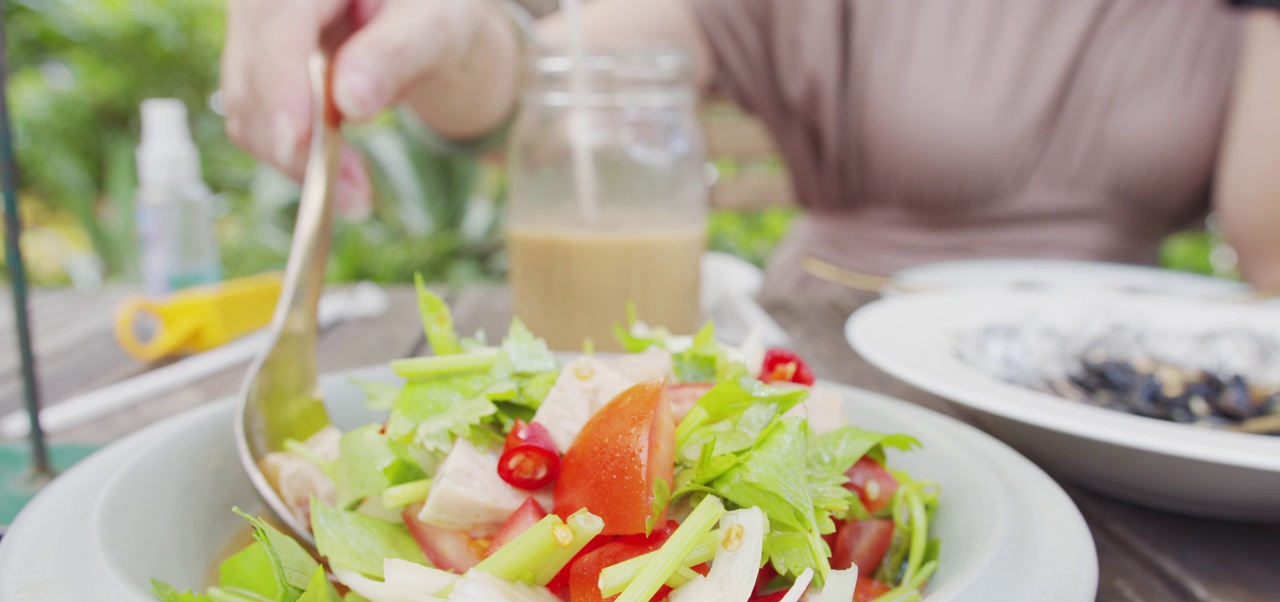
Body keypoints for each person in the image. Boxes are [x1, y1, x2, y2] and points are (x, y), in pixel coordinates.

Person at [220, 0, 1280, 298]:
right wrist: (443, 35)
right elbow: (543, 84)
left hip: (1108, 408)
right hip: (846, 348)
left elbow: (1266, 250)